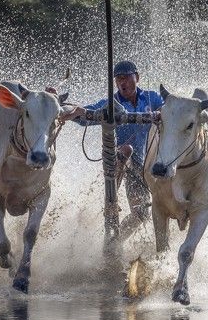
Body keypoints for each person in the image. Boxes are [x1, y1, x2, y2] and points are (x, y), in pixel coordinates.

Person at [64, 60, 164, 239]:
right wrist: (70, 110)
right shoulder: (111, 104)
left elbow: (169, 109)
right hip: (124, 164)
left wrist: (163, 112)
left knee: (142, 214)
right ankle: (111, 201)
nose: (121, 83)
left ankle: (116, 241)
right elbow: (84, 114)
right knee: (126, 149)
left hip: (150, 165)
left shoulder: (152, 98)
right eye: (118, 80)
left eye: (126, 78)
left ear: (137, 78)